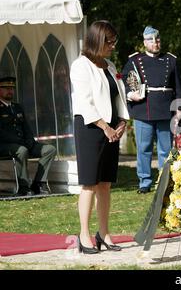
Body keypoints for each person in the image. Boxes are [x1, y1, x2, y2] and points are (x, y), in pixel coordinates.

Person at [70, 20, 129, 254]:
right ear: (97, 41)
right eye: (109, 42)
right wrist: (105, 127)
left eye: (114, 42)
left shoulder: (110, 65)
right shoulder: (80, 66)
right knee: (90, 183)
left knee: (105, 184)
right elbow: (86, 102)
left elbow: (119, 98)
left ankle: (103, 232)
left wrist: (122, 122)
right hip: (90, 128)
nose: (113, 46)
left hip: (112, 130)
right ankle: (84, 234)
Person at [122, 26, 181, 194]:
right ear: (144, 42)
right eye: (151, 40)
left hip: (165, 109)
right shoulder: (134, 60)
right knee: (144, 148)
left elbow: (177, 86)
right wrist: (130, 94)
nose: (155, 43)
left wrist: (179, 109)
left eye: (157, 39)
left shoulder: (170, 60)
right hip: (143, 110)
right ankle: (144, 181)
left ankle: (164, 181)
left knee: (165, 149)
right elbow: (123, 80)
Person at [0, 76, 56, 196]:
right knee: (22, 150)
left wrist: (30, 141)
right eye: (6, 88)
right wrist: (20, 142)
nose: (10, 91)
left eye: (12, 88)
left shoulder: (17, 107)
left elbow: (26, 128)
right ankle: (23, 187)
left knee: (50, 150)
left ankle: (38, 184)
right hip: (4, 146)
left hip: (23, 144)